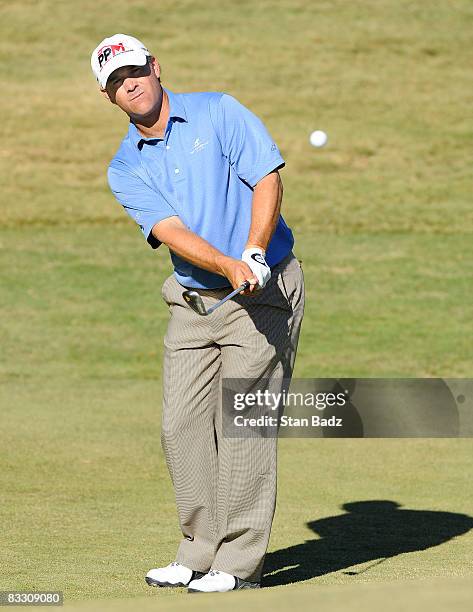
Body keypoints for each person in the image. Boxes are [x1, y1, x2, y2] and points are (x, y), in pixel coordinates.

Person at [90, 33, 305, 593]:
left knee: (242, 428)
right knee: (180, 426)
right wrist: (225, 264)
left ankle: (238, 566)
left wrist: (252, 252)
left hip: (263, 294)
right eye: (115, 81)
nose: (129, 84)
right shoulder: (123, 168)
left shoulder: (218, 111)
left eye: (134, 70)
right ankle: (198, 550)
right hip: (192, 301)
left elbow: (267, 176)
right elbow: (172, 232)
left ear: (155, 67)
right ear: (107, 96)